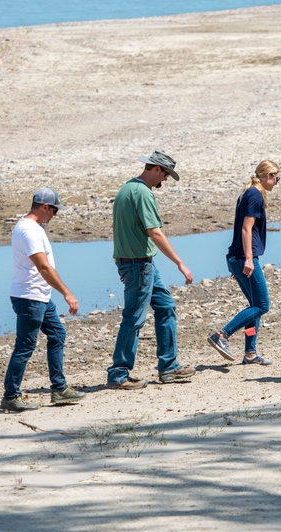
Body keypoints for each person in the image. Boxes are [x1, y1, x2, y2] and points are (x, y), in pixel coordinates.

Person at [107, 151, 195, 389]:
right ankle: (118, 374)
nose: (164, 181)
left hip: (141, 263)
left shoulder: (127, 188)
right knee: (134, 318)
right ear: (156, 169)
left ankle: (169, 367)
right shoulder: (143, 192)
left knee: (166, 306)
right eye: (165, 175)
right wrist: (179, 262)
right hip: (138, 265)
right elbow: (154, 232)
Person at [1, 188, 85, 411]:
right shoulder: (29, 231)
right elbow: (43, 266)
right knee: (25, 346)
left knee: (58, 334)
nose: (55, 216)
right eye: (55, 211)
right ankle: (10, 396)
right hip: (29, 297)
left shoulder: (35, 227)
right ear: (45, 207)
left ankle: (59, 389)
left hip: (39, 296)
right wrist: (66, 293)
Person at [207, 160, 280, 365]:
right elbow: (246, 229)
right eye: (276, 177)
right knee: (263, 305)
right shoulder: (255, 195)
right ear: (267, 176)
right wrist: (248, 259)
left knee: (254, 306)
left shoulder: (248, 193)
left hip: (236, 258)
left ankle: (250, 353)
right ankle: (222, 335)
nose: (277, 182)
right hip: (243, 258)